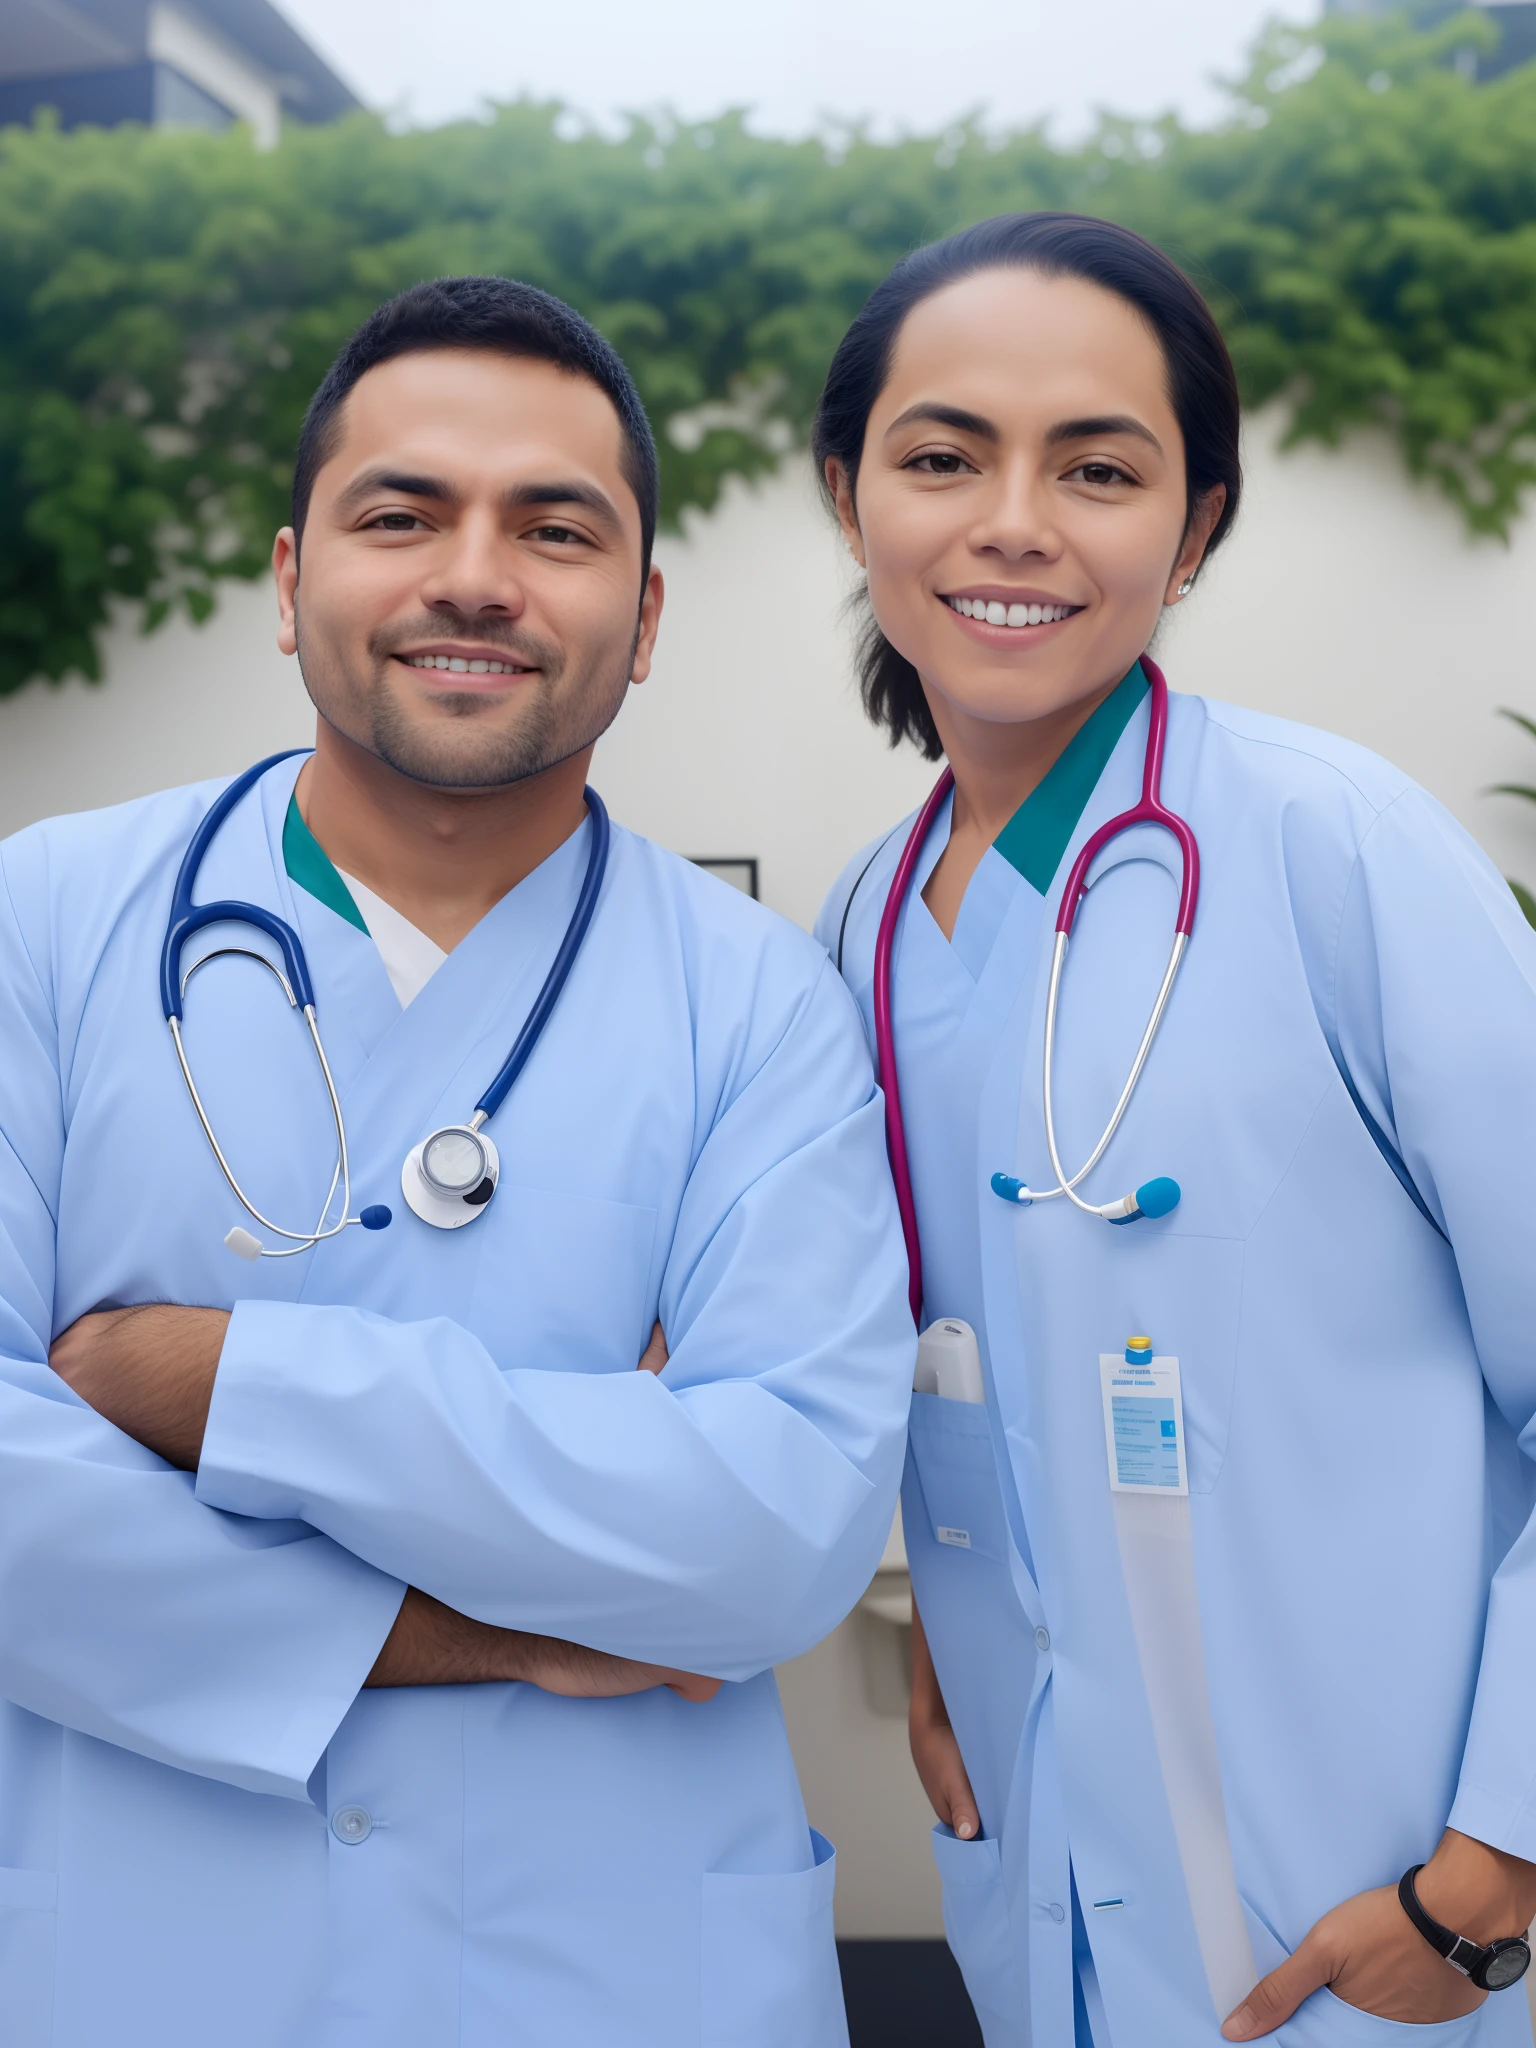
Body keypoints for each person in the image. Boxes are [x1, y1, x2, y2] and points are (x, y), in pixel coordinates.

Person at [0, 275, 914, 2048]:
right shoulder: (39, 922)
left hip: (620, 1971)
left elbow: (776, 1539)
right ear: (290, 583)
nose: (475, 575)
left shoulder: (764, 1008)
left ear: (642, 621)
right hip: (141, 1964)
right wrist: (494, 1614)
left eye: (554, 528)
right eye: (400, 513)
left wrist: (211, 1379)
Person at [814, 211, 1536, 2048]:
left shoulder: (1335, 853)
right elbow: (952, 1366)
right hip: (1043, 1873)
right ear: (851, 498)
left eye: (1100, 467)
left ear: (1194, 528)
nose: (1013, 521)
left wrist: (1489, 1880)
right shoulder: (860, 929)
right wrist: (969, 1649)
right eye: (942, 455)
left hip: (1387, 1918)